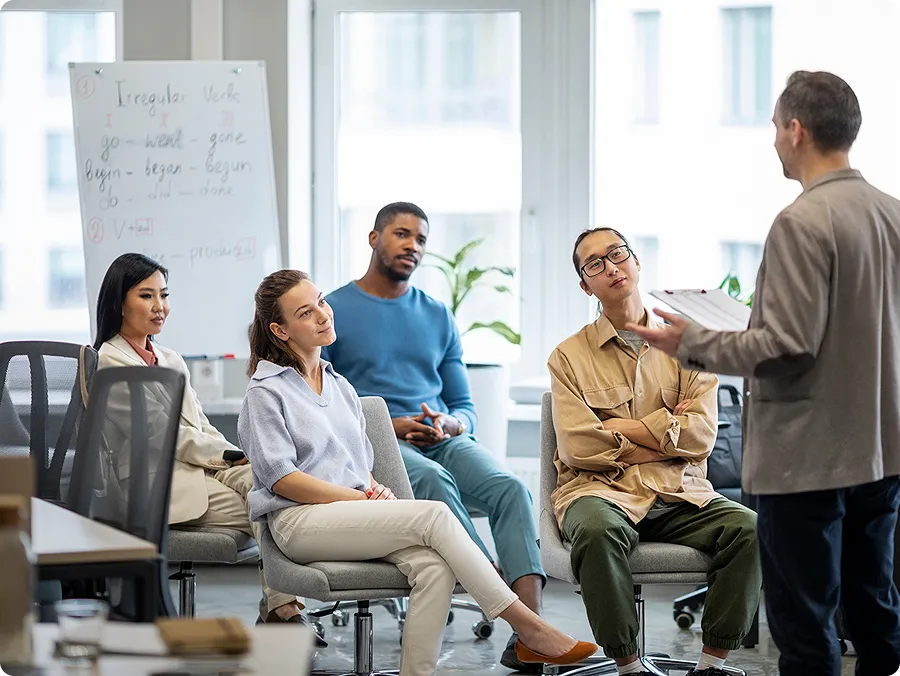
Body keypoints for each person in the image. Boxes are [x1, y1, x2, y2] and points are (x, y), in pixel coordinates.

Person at [627, 70, 900, 676]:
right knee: (875, 611)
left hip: (808, 459)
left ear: (796, 130)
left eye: (776, 127)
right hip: (881, 453)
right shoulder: (892, 214)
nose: (774, 140)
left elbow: (787, 346)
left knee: (805, 630)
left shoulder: (802, 222)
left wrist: (688, 342)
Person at [237, 268, 596, 676]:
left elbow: (358, 463)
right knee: (436, 512)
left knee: (434, 567)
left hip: (350, 515)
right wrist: (360, 498)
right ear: (280, 331)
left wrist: (374, 489)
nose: (323, 314)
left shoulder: (339, 385)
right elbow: (282, 479)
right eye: (305, 312)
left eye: (321, 301)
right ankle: (530, 628)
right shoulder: (265, 392)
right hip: (298, 523)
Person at [321, 202, 546, 671]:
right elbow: (321, 402)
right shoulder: (333, 310)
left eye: (420, 239)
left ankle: (529, 636)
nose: (412, 246)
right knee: (436, 485)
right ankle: (508, 602)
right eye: (401, 234)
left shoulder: (437, 315)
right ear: (373, 238)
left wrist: (451, 424)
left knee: (511, 490)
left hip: (438, 435)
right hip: (374, 443)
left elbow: (464, 405)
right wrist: (389, 424)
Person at [549, 227, 761, 676]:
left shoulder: (688, 346)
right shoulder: (567, 356)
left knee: (750, 528)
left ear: (636, 262)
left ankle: (711, 665)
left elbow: (702, 436)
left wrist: (621, 429)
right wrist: (667, 434)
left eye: (617, 254)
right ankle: (629, 667)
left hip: (678, 492)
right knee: (595, 531)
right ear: (585, 285)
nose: (610, 267)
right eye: (594, 264)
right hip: (599, 491)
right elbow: (578, 446)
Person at [93, 253, 318, 639]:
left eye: (164, 295)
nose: (160, 306)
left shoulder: (169, 357)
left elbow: (200, 425)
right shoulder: (108, 362)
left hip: (196, 468)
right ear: (119, 302)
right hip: (153, 486)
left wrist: (235, 455)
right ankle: (282, 608)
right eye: (146, 296)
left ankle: (282, 607)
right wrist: (227, 456)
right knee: (264, 501)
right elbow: (160, 434)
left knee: (272, 480)